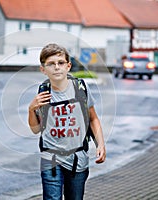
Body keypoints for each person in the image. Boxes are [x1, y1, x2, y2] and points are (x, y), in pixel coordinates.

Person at [28, 43, 106, 200]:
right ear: (43, 69)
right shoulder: (43, 93)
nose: (56, 67)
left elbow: (93, 118)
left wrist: (101, 144)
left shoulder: (81, 88)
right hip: (51, 159)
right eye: (51, 64)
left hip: (78, 159)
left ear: (68, 66)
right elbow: (36, 129)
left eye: (60, 63)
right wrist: (31, 109)